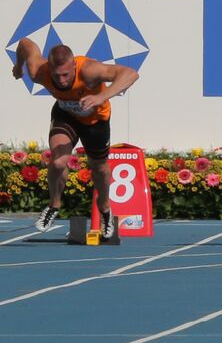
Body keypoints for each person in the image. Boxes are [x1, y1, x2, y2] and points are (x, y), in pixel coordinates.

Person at [11, 42, 139, 237]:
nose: (61, 81)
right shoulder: (39, 71)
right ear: (50, 68)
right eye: (56, 76)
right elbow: (25, 44)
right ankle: (54, 205)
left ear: (73, 67)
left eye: (66, 75)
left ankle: (104, 208)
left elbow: (130, 74)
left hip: (96, 120)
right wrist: (19, 66)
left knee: (100, 168)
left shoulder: (89, 71)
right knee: (58, 160)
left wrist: (101, 96)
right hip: (67, 115)